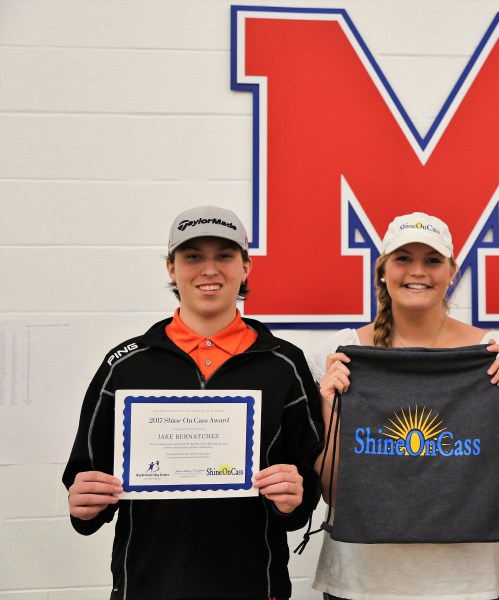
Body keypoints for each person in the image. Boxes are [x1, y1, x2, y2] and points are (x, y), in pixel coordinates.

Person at [62, 205, 323, 600]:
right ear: (171, 268)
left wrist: (294, 498)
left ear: (246, 267)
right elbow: (89, 484)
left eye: (224, 255)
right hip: (149, 586)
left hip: (254, 585)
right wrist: (84, 504)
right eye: (193, 256)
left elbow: (305, 488)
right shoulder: (125, 365)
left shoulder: (284, 364)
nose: (209, 269)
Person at [309, 212, 499, 600]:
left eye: (432, 260)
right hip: (360, 580)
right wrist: (332, 406)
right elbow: (332, 492)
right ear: (382, 271)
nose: (418, 271)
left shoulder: (494, 353)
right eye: (403, 259)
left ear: (452, 272)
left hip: (472, 581)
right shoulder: (339, 355)